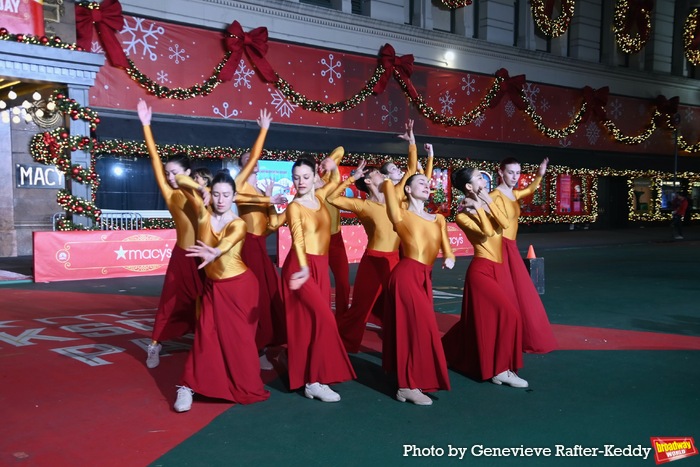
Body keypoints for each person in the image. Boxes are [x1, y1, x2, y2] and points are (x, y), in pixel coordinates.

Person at [173, 171, 270, 413]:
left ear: (234, 197)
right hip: (213, 287)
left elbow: (230, 240)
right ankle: (187, 386)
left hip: (240, 288)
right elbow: (180, 181)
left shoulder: (238, 223)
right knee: (205, 335)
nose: (220, 200)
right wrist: (201, 189)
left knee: (239, 342)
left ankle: (239, 382)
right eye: (216, 194)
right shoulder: (202, 215)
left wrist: (215, 252)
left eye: (226, 195)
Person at [442, 167, 527, 388]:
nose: (485, 179)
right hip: (481, 271)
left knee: (477, 322)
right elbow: (488, 232)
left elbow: (505, 224)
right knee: (510, 315)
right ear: (469, 186)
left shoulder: (490, 201)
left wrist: (485, 202)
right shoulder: (462, 215)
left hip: (498, 269)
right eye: (479, 177)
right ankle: (500, 370)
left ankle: (441, 351)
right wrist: (480, 208)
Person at [281, 155, 357, 402]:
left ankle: (310, 376)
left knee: (311, 324)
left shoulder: (322, 197)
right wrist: (303, 268)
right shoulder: (295, 206)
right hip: (300, 267)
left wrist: (334, 166)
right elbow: (298, 239)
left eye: (305, 177)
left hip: (320, 266)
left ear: (315, 176)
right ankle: (314, 381)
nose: (300, 182)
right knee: (325, 319)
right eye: (296, 177)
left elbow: (335, 178)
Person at [137, 100, 205, 369]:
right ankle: (154, 345)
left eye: (175, 172)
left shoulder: (204, 195)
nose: (171, 176)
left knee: (205, 302)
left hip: (204, 256)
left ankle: (205, 345)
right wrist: (146, 125)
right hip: (181, 256)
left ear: (188, 172)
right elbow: (154, 158)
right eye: (168, 173)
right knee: (169, 302)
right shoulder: (170, 194)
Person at [381, 172, 455, 406]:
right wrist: (388, 180)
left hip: (425, 277)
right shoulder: (400, 215)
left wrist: (450, 257)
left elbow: (447, 247)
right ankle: (406, 386)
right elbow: (390, 196)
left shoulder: (438, 219)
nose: (426, 185)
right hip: (406, 276)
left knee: (420, 330)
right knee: (416, 329)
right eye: (420, 183)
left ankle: (412, 381)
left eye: (427, 182)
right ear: (408, 190)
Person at [327, 160, 400, 353]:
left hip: (396, 259)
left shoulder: (396, 197)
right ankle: (344, 343)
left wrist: (412, 146)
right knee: (360, 307)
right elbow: (332, 198)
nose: (383, 175)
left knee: (397, 306)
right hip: (374, 261)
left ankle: (398, 345)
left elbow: (414, 174)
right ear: (367, 180)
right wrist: (352, 178)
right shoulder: (362, 205)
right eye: (378, 173)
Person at [234, 109, 287, 367]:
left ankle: (266, 342)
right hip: (246, 245)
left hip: (259, 245)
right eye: (247, 158)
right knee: (256, 296)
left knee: (270, 292)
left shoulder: (259, 188)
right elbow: (256, 153)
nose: (252, 160)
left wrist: (272, 205)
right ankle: (254, 347)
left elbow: (269, 227)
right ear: (243, 164)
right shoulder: (240, 184)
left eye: (253, 158)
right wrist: (264, 129)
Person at [489, 157, 558, 354]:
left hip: (511, 247)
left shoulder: (513, 194)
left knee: (522, 293)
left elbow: (530, 190)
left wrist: (540, 174)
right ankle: (503, 335)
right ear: (501, 172)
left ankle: (519, 334)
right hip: (499, 248)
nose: (514, 177)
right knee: (507, 293)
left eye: (517, 173)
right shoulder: (494, 195)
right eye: (510, 172)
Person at [317, 149, 351, 319]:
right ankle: (321, 316)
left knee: (343, 281)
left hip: (336, 239)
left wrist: (328, 160)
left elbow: (341, 149)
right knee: (319, 282)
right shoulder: (308, 192)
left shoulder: (328, 181)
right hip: (318, 242)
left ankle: (343, 317)